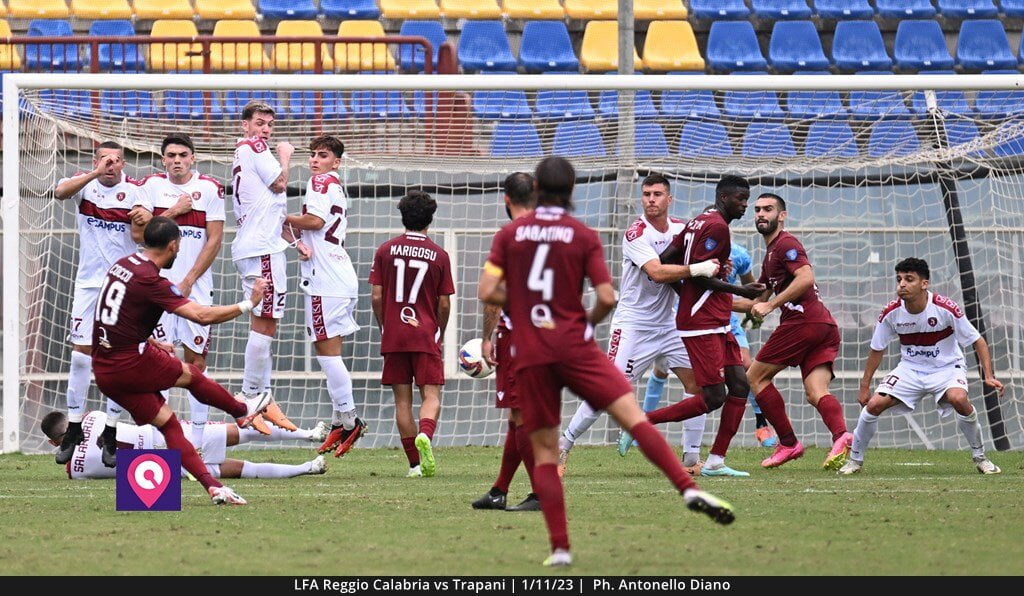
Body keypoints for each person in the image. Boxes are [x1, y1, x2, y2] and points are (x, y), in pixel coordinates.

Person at [478, 157, 734, 568]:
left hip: (532, 349)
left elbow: (488, 288)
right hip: (577, 341)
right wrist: (581, 321)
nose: (651, 199)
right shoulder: (583, 234)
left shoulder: (511, 234)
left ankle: (560, 548)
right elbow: (608, 297)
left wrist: (530, 306)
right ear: (573, 188)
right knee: (631, 415)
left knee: (543, 448)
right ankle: (686, 487)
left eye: (656, 193)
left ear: (538, 186)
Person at [91, 215, 276, 505]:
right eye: (178, 247)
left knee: (170, 426)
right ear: (173, 245)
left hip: (105, 370)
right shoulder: (152, 280)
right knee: (189, 374)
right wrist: (249, 303)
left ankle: (213, 487)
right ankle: (242, 411)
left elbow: (112, 316)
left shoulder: (123, 265)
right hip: (129, 363)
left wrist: (149, 340)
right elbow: (201, 315)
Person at [132, 134, 291, 445]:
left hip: (196, 290)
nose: (176, 160)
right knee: (154, 362)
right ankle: (154, 444)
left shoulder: (209, 188)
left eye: (182, 154)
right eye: (170, 155)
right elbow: (139, 234)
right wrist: (175, 211)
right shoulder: (149, 185)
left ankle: (199, 443)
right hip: (155, 290)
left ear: (193, 158)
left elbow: (214, 240)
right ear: (163, 159)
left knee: (196, 365)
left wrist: (190, 279)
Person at [556, 174, 719, 476]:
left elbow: (705, 257)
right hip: (634, 325)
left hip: (670, 325)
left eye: (658, 194)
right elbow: (656, 272)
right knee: (608, 391)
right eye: (646, 194)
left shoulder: (682, 230)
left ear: (670, 199)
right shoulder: (636, 233)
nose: (651, 199)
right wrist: (698, 268)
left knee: (697, 384)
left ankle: (691, 458)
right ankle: (564, 444)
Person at [839, 258, 1004, 475]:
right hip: (910, 369)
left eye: (909, 279)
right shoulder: (891, 312)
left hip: (947, 368)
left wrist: (988, 375)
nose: (902, 285)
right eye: (899, 279)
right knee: (874, 405)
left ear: (924, 284)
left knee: (958, 399)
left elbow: (978, 340)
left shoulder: (945, 308)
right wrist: (864, 386)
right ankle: (855, 461)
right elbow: (877, 349)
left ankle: (981, 457)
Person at [647, 175, 765, 477]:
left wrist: (687, 291)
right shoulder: (716, 227)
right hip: (701, 323)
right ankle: (641, 422)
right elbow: (697, 275)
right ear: (724, 198)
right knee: (713, 397)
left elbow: (666, 259)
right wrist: (741, 291)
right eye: (741, 199)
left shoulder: (698, 221)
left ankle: (715, 461)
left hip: (715, 318)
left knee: (740, 384)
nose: (745, 205)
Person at [741, 193, 850, 470]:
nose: (761, 214)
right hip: (823, 326)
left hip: (803, 323)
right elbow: (756, 302)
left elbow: (805, 277)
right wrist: (710, 300)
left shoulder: (785, 243)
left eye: (768, 209)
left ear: (782, 215)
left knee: (755, 376)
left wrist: (772, 305)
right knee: (816, 392)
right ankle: (842, 436)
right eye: (757, 210)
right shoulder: (769, 255)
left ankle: (788, 443)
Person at [53, 141, 144, 466]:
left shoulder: (135, 191)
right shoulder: (84, 184)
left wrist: (143, 219)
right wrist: (93, 173)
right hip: (89, 285)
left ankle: (111, 430)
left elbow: (139, 238)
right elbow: (60, 192)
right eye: (105, 159)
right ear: (96, 161)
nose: (111, 165)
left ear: (123, 164)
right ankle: (75, 426)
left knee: (121, 360)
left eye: (117, 160)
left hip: (122, 286)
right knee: (80, 358)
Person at [282, 136, 365, 458]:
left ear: (336, 162)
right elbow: (315, 228)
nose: (315, 160)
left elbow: (314, 222)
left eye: (323, 155)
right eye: (313, 155)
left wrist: (282, 216)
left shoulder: (319, 182)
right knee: (330, 353)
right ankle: (338, 421)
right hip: (337, 275)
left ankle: (350, 419)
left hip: (326, 281)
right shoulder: (332, 185)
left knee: (327, 355)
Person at [369, 191, 454, 478]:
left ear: (402, 216)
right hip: (424, 334)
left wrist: (385, 326)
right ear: (430, 219)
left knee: (402, 402)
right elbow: (444, 302)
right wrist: (438, 330)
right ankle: (426, 436)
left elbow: (377, 297)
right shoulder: (440, 255)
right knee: (431, 396)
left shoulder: (384, 250)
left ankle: (415, 465)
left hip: (395, 334)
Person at [472, 172, 540, 512]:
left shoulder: (509, 236)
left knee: (521, 415)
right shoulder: (554, 234)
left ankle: (543, 493)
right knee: (518, 415)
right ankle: (499, 490)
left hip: (519, 336)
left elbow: (492, 294)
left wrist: (487, 338)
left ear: (506, 199)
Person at [41, 410, 329, 480]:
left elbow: (72, 463)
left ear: (55, 442)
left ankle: (310, 467)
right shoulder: (94, 416)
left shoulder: (75, 471)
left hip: (157, 470)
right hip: (162, 435)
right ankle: (309, 435)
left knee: (239, 470)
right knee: (243, 432)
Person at [230, 101, 295, 408]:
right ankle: (250, 394)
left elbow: (268, 203)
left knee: (264, 320)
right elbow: (280, 183)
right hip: (262, 250)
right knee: (266, 322)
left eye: (269, 124)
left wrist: (293, 240)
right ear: (246, 125)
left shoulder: (243, 150)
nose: (265, 130)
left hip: (256, 244)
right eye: (259, 123)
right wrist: (285, 156)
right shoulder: (255, 146)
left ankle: (261, 394)